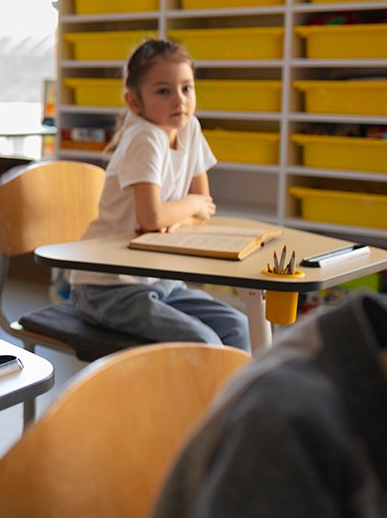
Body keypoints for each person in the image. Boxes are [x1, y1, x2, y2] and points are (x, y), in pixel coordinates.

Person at [69, 38, 250, 351]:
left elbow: (204, 212)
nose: (178, 100)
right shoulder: (145, 138)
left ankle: (231, 401)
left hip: (161, 280)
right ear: (134, 103)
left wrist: (174, 218)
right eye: (163, 91)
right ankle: (194, 401)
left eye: (186, 88)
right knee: (203, 343)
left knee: (238, 326)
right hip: (107, 287)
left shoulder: (190, 128)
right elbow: (157, 216)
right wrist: (186, 207)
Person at [153, 294, 387, 517]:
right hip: (125, 290)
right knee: (205, 340)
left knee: (237, 327)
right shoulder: (284, 423)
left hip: (163, 288)